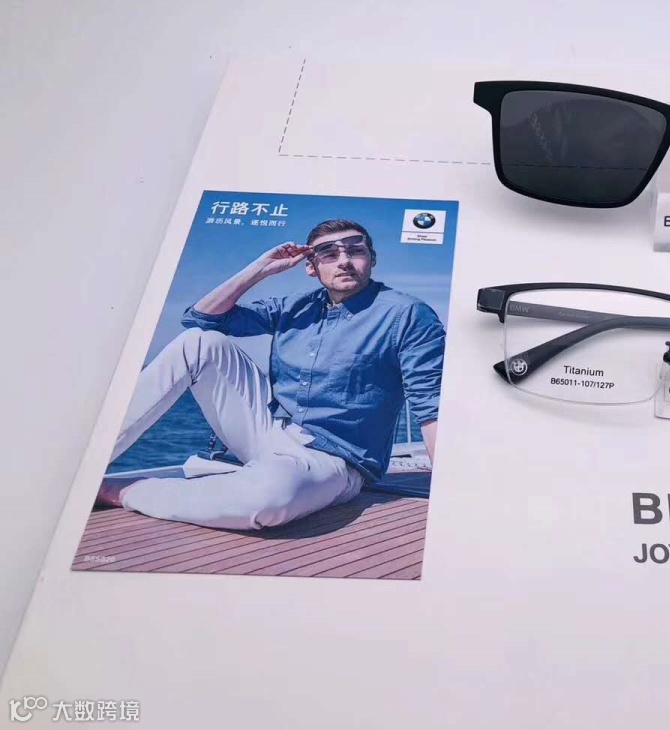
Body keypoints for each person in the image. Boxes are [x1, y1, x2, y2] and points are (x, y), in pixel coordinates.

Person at [96, 218, 445, 530]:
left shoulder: (407, 314)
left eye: (355, 251)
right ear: (311, 267)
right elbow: (201, 318)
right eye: (328, 253)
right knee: (199, 341)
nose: (344, 260)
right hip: (268, 430)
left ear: (371, 259)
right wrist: (260, 269)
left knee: (267, 501)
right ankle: (90, 462)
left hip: (334, 459)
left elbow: (431, 405)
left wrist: (451, 493)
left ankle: (125, 491)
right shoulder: (296, 306)